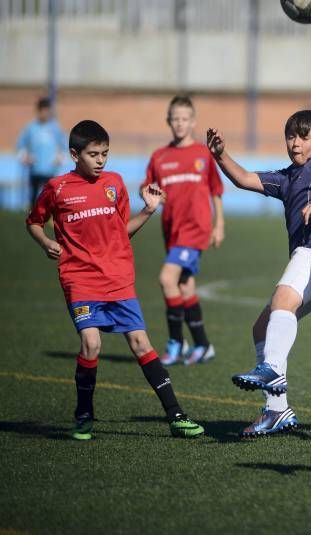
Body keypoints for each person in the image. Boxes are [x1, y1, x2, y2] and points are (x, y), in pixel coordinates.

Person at [25, 119, 204, 441]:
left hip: (118, 278)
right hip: (79, 279)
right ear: (74, 154)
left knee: (141, 343)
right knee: (91, 344)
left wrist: (148, 211)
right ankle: (83, 415)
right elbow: (34, 222)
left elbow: (121, 232)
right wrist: (45, 242)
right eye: (94, 154)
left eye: (105, 153)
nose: (101, 160)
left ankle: (176, 415)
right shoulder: (57, 188)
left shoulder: (115, 184)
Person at [206, 110, 311, 437]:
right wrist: (219, 155)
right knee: (262, 327)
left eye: (304, 137)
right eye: (291, 136)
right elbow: (243, 178)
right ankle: (276, 410)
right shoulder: (287, 178)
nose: (296, 143)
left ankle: (271, 368)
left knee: (282, 303)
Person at [141, 95, 225, 366]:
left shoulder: (203, 154)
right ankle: (203, 345)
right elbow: (146, 188)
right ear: (168, 121)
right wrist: (149, 194)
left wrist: (219, 224)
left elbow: (216, 191)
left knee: (167, 279)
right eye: (175, 119)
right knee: (185, 287)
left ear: (193, 121)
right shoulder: (159, 157)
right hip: (172, 231)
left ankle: (176, 342)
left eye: (184, 119)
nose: (179, 124)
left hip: (196, 229)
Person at [16, 97, 67, 209]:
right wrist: (25, 157)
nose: (45, 113)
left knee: (49, 194)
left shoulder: (55, 127)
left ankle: (49, 217)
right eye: (42, 110)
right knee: (34, 196)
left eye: (47, 111)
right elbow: (20, 145)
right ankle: (32, 217)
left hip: (50, 168)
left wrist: (60, 157)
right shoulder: (31, 128)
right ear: (38, 111)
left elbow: (63, 145)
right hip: (35, 168)